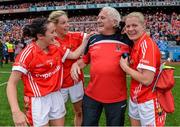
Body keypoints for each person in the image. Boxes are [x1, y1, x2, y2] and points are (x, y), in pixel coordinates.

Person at [6, 18, 88, 126]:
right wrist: (16, 112)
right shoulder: (28, 53)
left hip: (56, 95)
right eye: (52, 32)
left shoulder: (56, 47)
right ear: (40, 36)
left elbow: (74, 55)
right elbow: (11, 83)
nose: (55, 35)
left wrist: (86, 40)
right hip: (38, 101)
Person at [71, 7, 133, 126]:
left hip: (117, 98)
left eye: (102, 17)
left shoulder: (127, 40)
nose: (98, 20)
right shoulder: (93, 39)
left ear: (114, 22)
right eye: (98, 17)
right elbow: (84, 61)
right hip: (91, 96)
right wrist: (75, 64)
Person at [120, 12, 166, 126]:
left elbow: (147, 79)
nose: (130, 29)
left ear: (143, 26)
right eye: (128, 26)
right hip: (136, 98)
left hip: (149, 99)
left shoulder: (147, 44)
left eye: (134, 25)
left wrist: (125, 68)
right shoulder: (136, 43)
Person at [48, 10, 86, 126]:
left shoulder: (74, 36)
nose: (67, 25)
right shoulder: (51, 41)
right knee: (56, 115)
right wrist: (79, 54)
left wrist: (82, 59)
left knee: (79, 112)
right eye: (63, 23)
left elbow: (90, 37)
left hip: (76, 81)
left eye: (67, 22)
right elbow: (73, 55)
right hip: (59, 85)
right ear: (54, 25)